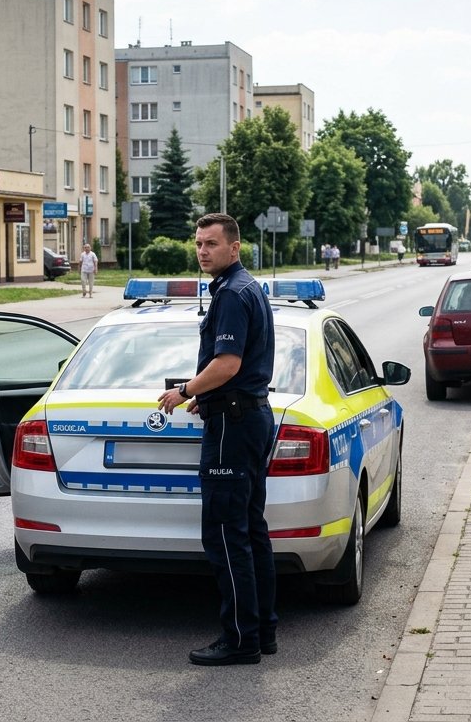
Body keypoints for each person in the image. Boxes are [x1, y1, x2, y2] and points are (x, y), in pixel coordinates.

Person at [157, 213, 277, 667]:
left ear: (234, 247)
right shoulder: (245, 287)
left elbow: (227, 363)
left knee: (226, 534)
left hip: (233, 427)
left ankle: (240, 640)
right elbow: (231, 371)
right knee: (250, 529)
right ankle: (262, 631)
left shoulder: (231, 294)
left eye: (211, 243)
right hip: (245, 416)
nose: (202, 251)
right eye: (198, 243)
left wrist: (186, 390)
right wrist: (207, 395)